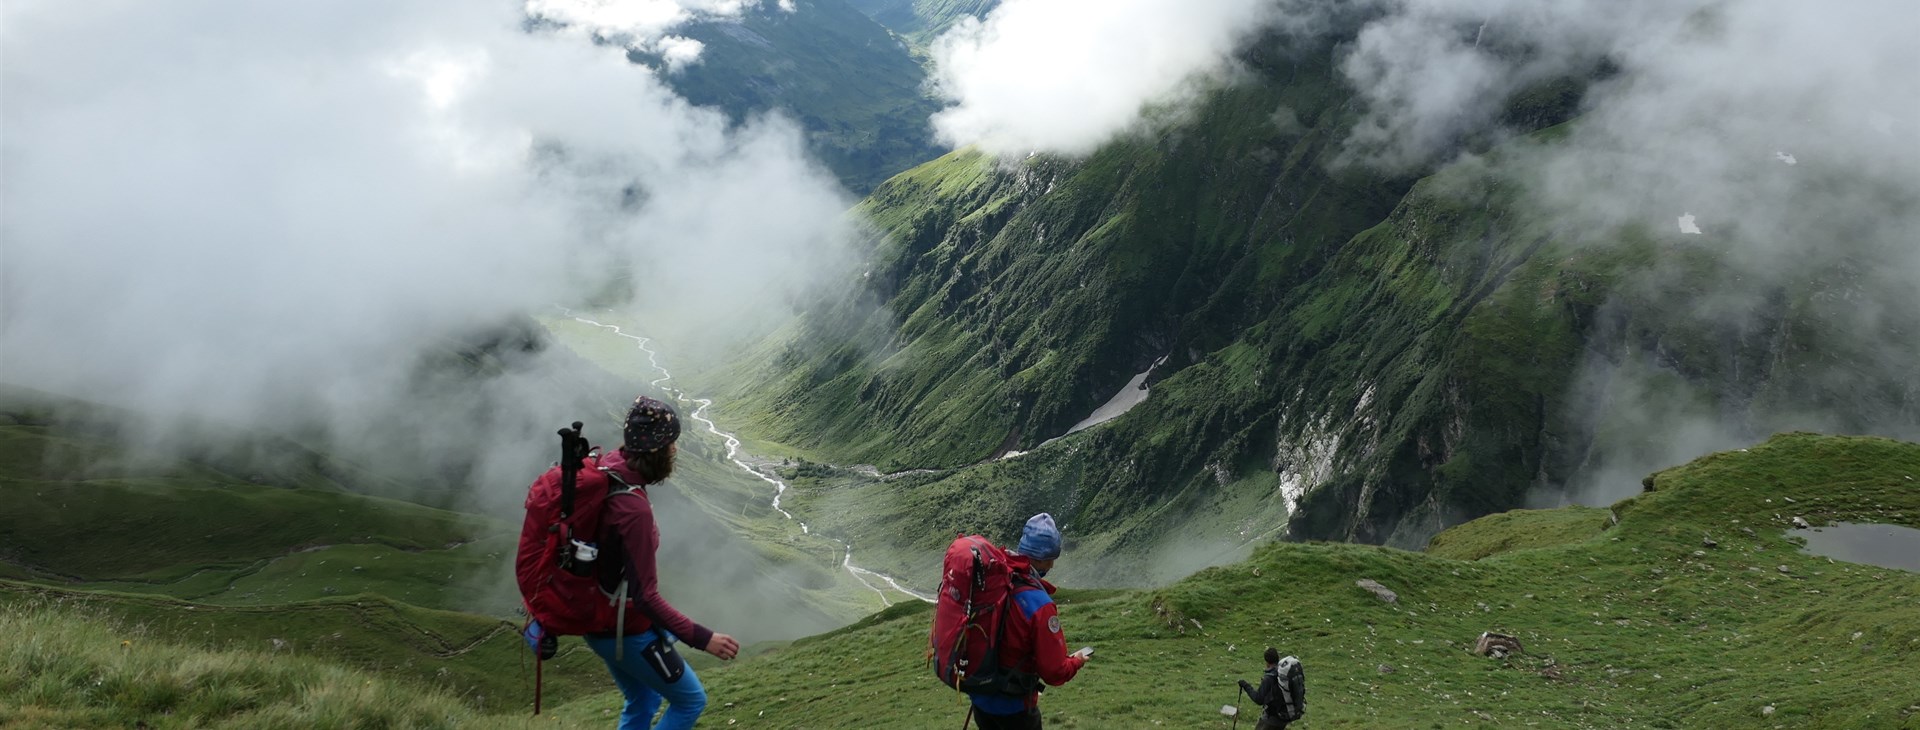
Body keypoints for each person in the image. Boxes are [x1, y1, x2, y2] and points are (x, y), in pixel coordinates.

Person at [590, 396, 741, 730]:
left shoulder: (611, 466)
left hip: (597, 620)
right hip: (623, 629)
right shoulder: (633, 511)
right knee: (690, 701)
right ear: (658, 451)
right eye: (671, 443)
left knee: (643, 699)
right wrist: (703, 638)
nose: (675, 450)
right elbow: (646, 597)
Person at [966, 513, 1089, 730]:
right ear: (1040, 558)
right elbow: (1054, 672)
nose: (1052, 565)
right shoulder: (1040, 605)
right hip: (1014, 707)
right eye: (1051, 558)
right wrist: (1077, 660)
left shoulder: (995, 579)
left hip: (981, 698)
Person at [1239, 647, 1291, 730]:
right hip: (1285, 716)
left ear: (1267, 662)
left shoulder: (1269, 678)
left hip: (1271, 718)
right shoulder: (1284, 673)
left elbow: (1258, 699)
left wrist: (1246, 686)